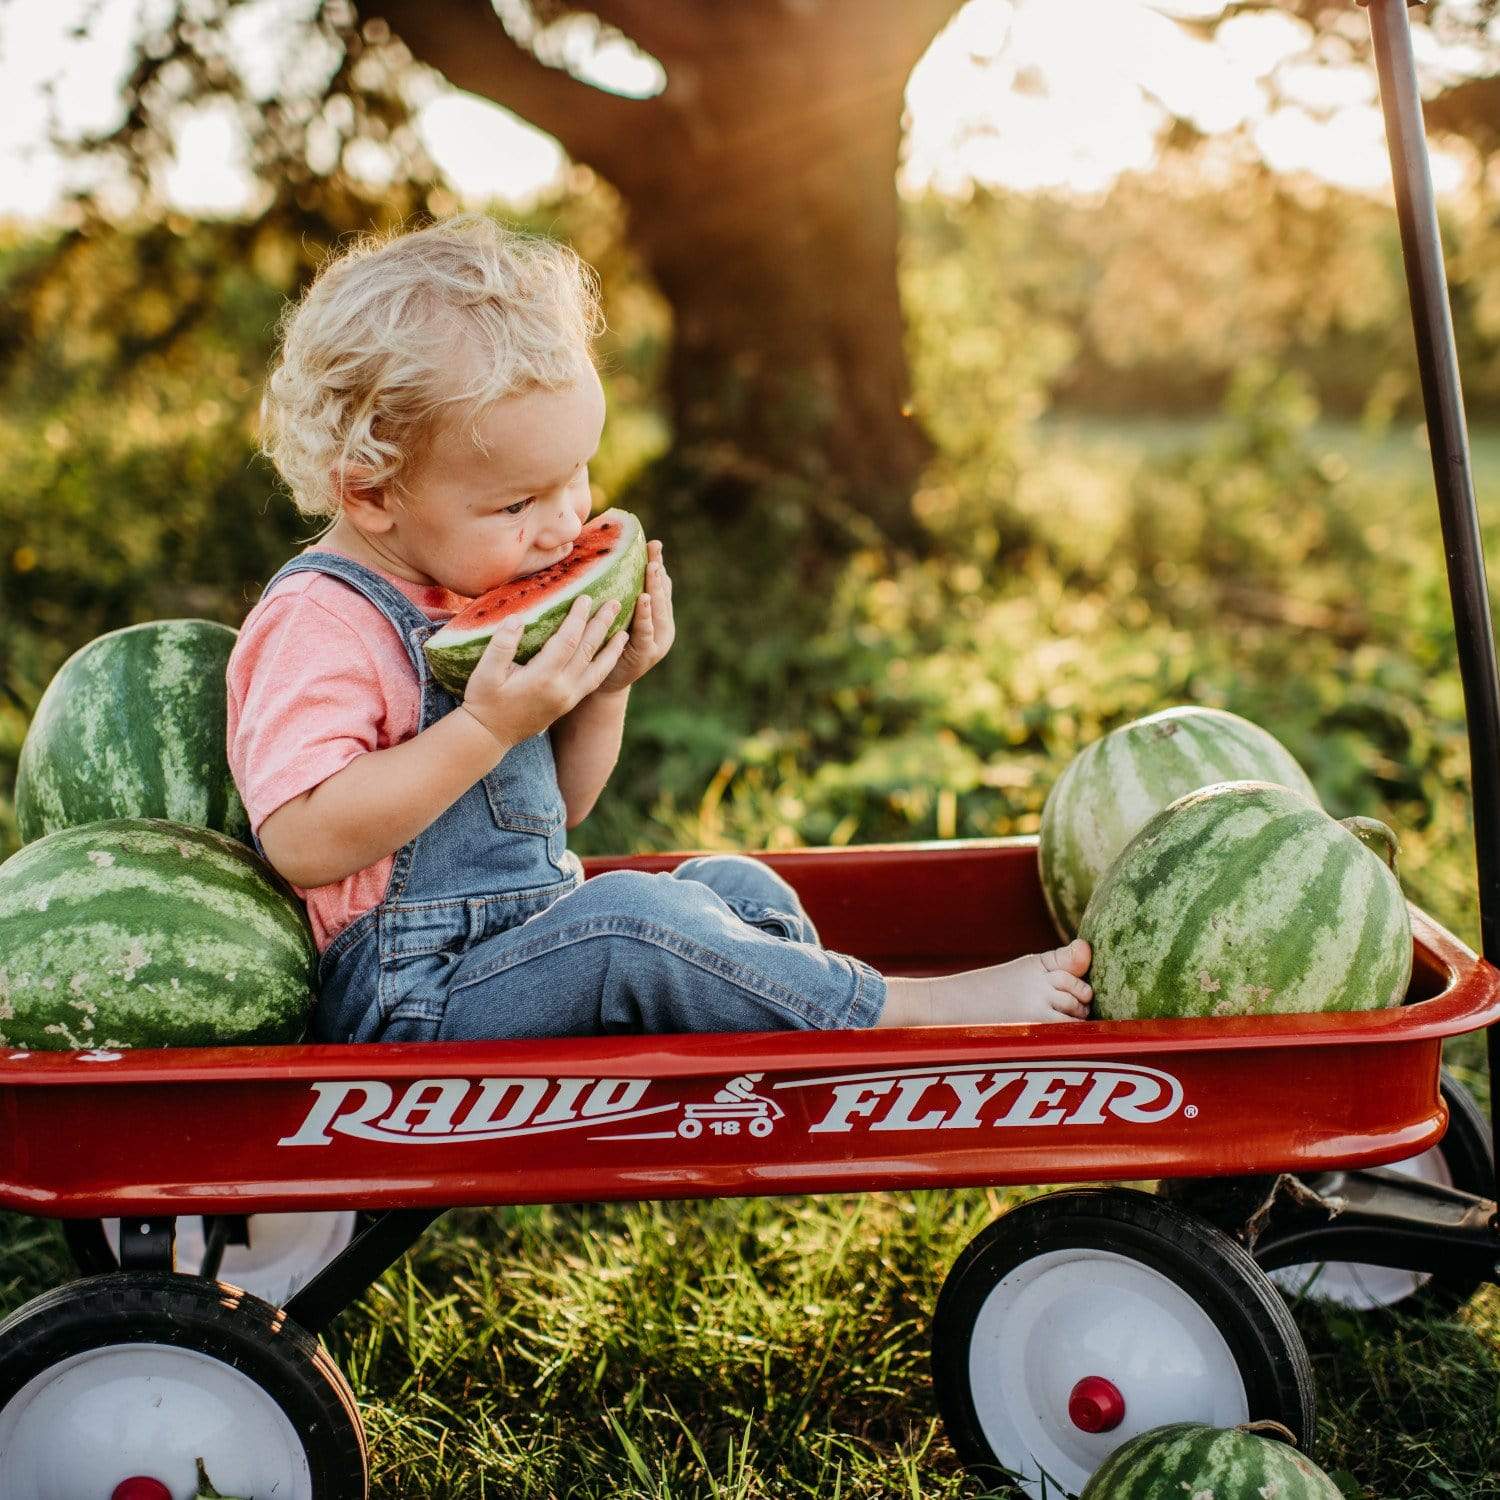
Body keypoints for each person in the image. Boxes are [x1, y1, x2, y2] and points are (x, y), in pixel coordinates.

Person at [228, 213, 1092, 1044]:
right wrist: (486, 728)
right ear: (370, 493)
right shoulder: (322, 620)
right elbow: (302, 839)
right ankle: (894, 1010)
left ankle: (795, 1061)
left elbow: (558, 810)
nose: (567, 524)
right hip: (412, 998)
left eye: (578, 477)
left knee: (733, 886)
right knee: (637, 922)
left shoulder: (474, 584)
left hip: (530, 941)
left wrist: (607, 692)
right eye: (518, 502)